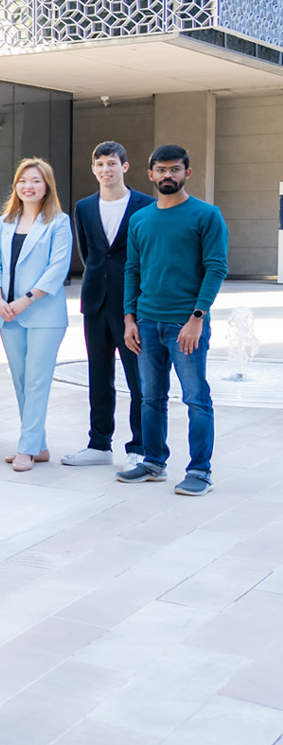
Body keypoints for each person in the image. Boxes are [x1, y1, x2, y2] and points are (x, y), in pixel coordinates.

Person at [118, 145, 228, 496]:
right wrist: (129, 318)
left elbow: (216, 268)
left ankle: (200, 471)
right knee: (150, 397)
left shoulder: (206, 215)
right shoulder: (140, 219)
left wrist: (197, 317)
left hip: (185, 324)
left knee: (196, 398)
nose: (168, 175)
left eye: (175, 169)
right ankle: (153, 462)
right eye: (161, 170)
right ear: (150, 174)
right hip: (146, 323)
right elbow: (132, 269)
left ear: (187, 173)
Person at [63, 141, 153, 467]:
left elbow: (148, 257)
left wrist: (136, 306)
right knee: (99, 377)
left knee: (138, 381)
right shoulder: (84, 207)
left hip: (132, 307)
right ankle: (99, 445)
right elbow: (89, 255)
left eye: (112, 163)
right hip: (95, 305)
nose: (106, 169)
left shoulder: (146, 205)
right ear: (93, 168)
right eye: (100, 164)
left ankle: (140, 448)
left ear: (124, 167)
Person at [0, 158, 74, 472]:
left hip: (43, 314)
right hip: (7, 313)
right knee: (22, 381)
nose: (29, 186)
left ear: (47, 186)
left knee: (37, 381)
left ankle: (26, 448)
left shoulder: (59, 222)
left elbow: (57, 268)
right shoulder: (5, 222)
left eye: (36, 180)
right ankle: (39, 445)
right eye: (23, 180)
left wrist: (26, 300)